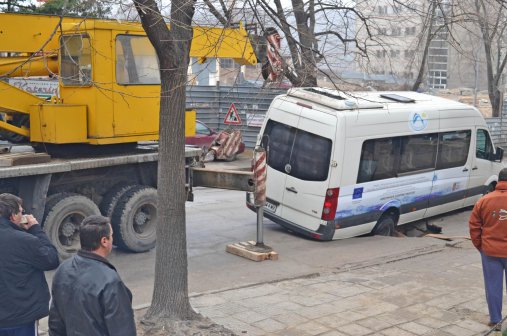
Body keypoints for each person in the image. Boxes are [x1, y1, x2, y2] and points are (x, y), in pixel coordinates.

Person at [48, 215, 136, 335]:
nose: (112, 239)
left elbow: (55, 321)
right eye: (111, 236)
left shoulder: (63, 269)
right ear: (104, 241)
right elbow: (122, 329)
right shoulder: (110, 281)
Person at [0, 193, 59, 336]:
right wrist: (35, 229)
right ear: (13, 216)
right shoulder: (24, 240)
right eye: (21, 211)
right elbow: (51, 259)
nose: (22, 214)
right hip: (19, 317)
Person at [469, 167, 507, 331]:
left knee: (493, 286)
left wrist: (481, 246)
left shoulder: (484, 201)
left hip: (490, 252)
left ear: (499, 181)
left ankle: (496, 321)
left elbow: (474, 226)